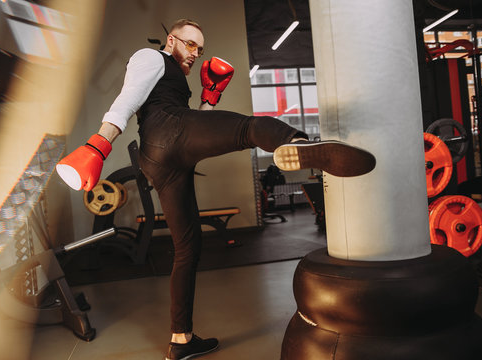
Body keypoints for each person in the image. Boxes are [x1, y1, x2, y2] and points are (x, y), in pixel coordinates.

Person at [56, 19, 375, 360]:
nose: (196, 53)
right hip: (166, 133)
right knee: (249, 128)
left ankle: (181, 339)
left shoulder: (176, 79)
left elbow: (199, 130)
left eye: (201, 49)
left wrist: (210, 96)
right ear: (170, 40)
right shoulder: (149, 58)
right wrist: (99, 144)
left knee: (187, 248)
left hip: (163, 157)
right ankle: (299, 143)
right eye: (190, 44)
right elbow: (128, 98)